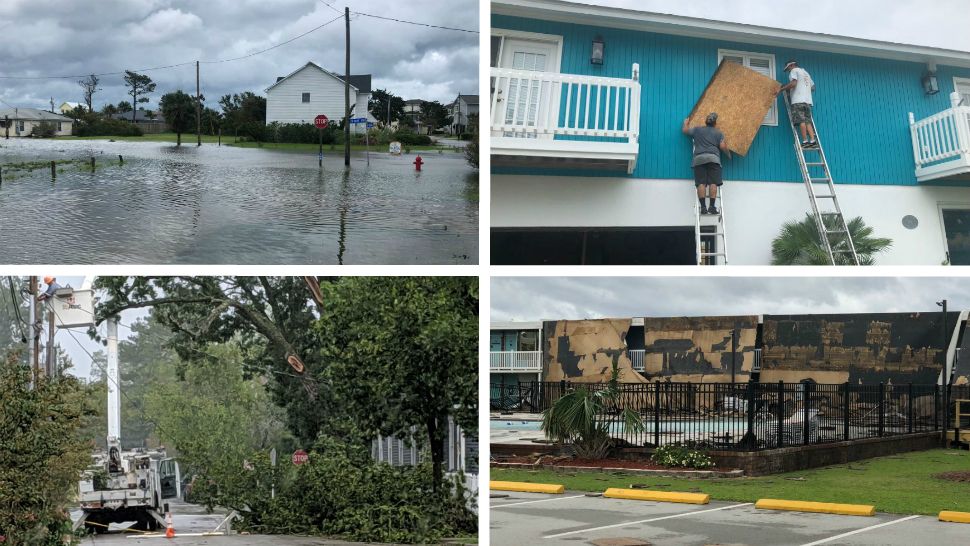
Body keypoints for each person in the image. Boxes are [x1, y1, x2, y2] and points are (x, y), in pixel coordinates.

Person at [682, 112, 728, 215]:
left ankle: (703, 207)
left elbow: (685, 130)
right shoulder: (718, 133)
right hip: (713, 159)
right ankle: (711, 207)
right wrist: (728, 154)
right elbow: (723, 147)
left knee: (701, 183)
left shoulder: (697, 130)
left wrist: (686, 123)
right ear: (715, 123)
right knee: (713, 183)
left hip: (699, 159)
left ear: (705, 122)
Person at [779, 59, 817, 148]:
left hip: (798, 101)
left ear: (792, 65)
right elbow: (813, 88)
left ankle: (804, 141)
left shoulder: (794, 71)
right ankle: (812, 140)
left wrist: (782, 89)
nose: (788, 70)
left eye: (788, 68)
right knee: (808, 122)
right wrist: (804, 89)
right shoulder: (806, 73)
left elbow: (793, 83)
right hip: (807, 101)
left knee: (801, 121)